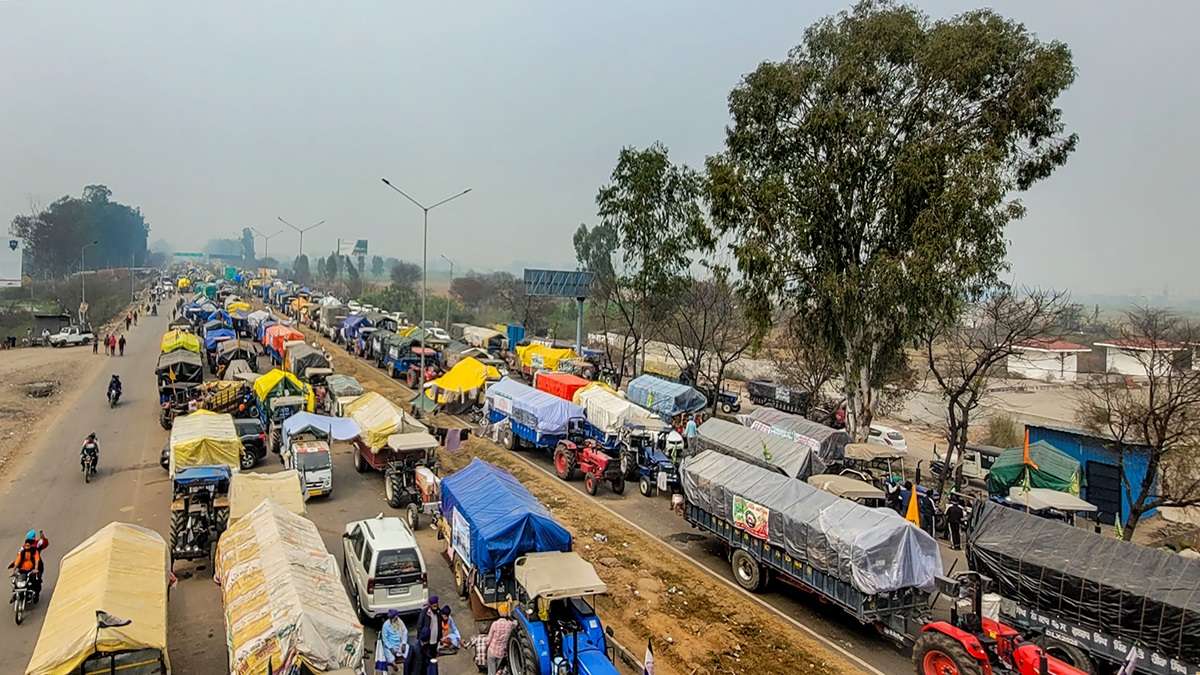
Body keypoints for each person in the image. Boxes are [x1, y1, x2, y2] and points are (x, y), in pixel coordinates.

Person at [9, 530, 49, 602]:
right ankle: (15, 594)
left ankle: (36, 594)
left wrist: (36, 568)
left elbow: (37, 558)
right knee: (17, 578)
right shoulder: (23, 548)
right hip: (24, 568)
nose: (27, 546)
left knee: (37, 579)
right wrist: (14, 566)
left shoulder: (36, 547)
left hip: (35, 567)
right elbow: (19, 557)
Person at [376, 608, 408, 673]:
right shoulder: (385, 625)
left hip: (399, 643)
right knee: (388, 654)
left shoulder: (400, 621)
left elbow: (405, 631)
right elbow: (385, 639)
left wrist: (404, 643)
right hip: (390, 645)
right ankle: (394, 664)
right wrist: (391, 648)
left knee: (408, 649)